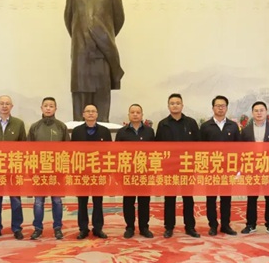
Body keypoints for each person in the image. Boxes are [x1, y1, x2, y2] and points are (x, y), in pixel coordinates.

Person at [64, 0, 125, 122]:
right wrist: (81, 36)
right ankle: (79, 124)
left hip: (103, 49)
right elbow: (69, 19)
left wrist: (104, 35)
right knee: (80, 89)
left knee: (102, 88)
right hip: (80, 50)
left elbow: (119, 19)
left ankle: (103, 123)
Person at [155, 93, 201, 238]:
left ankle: (190, 227)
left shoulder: (191, 123)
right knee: (170, 198)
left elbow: (198, 144)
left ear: (182, 105)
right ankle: (169, 227)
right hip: (169, 168)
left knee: (188, 198)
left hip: (187, 167)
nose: (175, 105)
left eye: (177, 103)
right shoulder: (163, 124)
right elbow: (158, 147)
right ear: (168, 106)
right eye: (172, 103)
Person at [0, 95, 27, 240]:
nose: (4, 106)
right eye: (1, 103)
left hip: (13, 167)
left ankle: (17, 228)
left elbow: (23, 146)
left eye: (7, 104)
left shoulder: (19, 124)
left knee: (15, 200)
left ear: (11, 107)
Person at [28, 97, 69, 240]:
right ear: (41, 108)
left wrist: (63, 170)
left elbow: (67, 150)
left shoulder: (61, 126)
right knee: (38, 202)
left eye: (51, 106)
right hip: (39, 171)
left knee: (56, 201)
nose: (48, 108)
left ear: (55, 109)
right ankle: (38, 228)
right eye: (46, 105)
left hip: (56, 171)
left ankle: (57, 228)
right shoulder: (35, 127)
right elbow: (29, 150)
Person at [240, 101, 269, 236]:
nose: (259, 113)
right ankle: (250, 224)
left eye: (261, 110)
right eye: (256, 111)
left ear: (266, 112)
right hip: (252, 168)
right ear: (252, 113)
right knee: (251, 197)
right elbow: (241, 151)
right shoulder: (246, 130)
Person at [200, 95, 240, 236]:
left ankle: (225, 225)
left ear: (227, 108)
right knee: (211, 198)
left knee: (226, 198)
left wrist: (238, 168)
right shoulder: (205, 126)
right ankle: (212, 225)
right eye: (217, 106)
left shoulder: (233, 126)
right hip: (211, 169)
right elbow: (200, 149)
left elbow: (239, 149)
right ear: (213, 108)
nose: (220, 108)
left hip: (228, 168)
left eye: (223, 106)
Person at [71, 104, 112, 239]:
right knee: (82, 202)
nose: (90, 113)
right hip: (82, 172)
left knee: (98, 201)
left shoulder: (105, 132)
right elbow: (72, 153)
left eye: (93, 111)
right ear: (83, 114)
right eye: (87, 111)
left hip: (99, 172)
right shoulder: (77, 131)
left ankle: (98, 228)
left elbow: (109, 152)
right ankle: (83, 229)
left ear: (97, 114)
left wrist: (107, 171)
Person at [116, 104, 155, 238]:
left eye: (138, 112)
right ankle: (130, 227)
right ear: (129, 115)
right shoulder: (122, 132)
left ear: (142, 115)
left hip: (145, 172)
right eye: (132, 112)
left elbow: (154, 152)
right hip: (128, 173)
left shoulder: (149, 132)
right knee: (128, 201)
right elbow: (117, 154)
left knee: (144, 201)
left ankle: (144, 227)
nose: (135, 114)